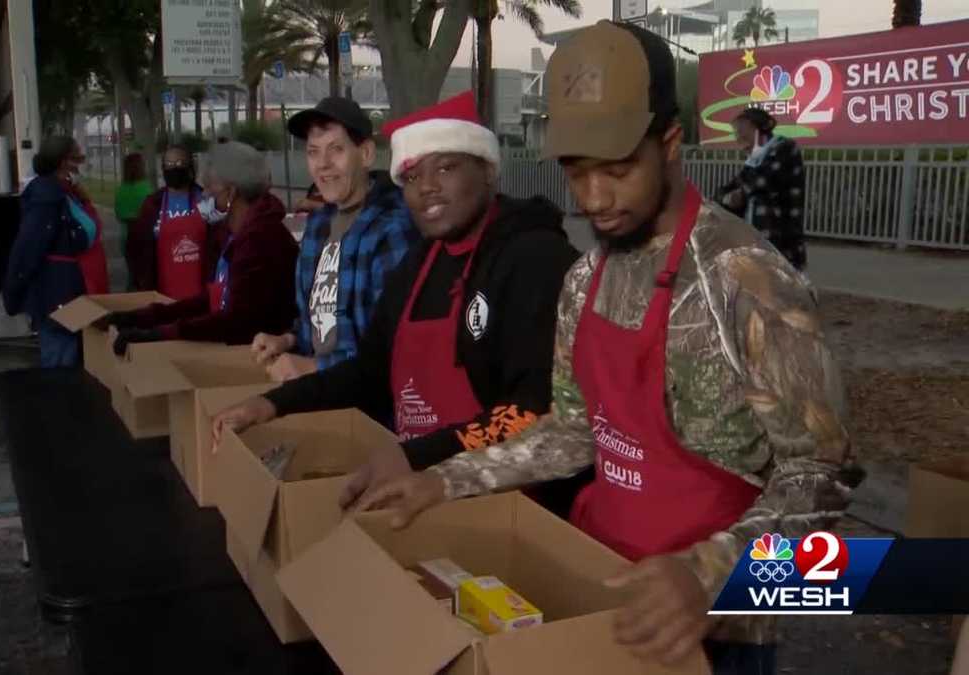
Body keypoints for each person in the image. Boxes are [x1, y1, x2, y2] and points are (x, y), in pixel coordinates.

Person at [354, 23, 860, 675]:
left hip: (715, 630)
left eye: (618, 170)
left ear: (670, 143)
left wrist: (707, 575)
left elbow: (821, 477)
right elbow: (574, 433)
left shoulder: (748, 281)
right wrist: (444, 480)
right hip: (604, 595)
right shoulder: (584, 281)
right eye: (577, 171)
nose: (594, 200)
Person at [212, 91, 577, 506]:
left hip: (510, 501)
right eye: (412, 175)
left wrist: (415, 456)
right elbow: (370, 370)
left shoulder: (535, 260)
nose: (427, 188)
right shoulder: (421, 261)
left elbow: (535, 411)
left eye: (446, 167)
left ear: (488, 170)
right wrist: (270, 405)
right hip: (423, 490)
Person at [251, 97, 418, 383]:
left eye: (336, 150)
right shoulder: (318, 225)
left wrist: (313, 368)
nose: (323, 164)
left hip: (369, 409)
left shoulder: (393, 228)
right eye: (313, 152)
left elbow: (395, 343)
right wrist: (288, 340)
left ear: (365, 154)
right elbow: (317, 321)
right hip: (321, 393)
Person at [102, 141, 298, 350]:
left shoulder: (261, 239)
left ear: (231, 193)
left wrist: (162, 333)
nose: (204, 195)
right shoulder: (233, 233)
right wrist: (142, 317)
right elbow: (214, 298)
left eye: (210, 187)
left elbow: (236, 320)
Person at [2, 136, 106, 368]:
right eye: (76, 157)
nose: (81, 162)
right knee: (61, 363)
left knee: (76, 359)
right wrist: (14, 292)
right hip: (59, 296)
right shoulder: (46, 198)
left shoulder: (66, 191)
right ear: (63, 162)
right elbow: (28, 248)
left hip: (73, 293)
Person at [126, 145, 224, 299]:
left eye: (179, 164)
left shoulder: (206, 201)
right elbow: (136, 246)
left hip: (201, 296)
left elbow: (220, 242)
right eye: (169, 165)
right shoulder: (152, 205)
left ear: (190, 168)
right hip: (161, 296)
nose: (174, 169)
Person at [720, 108, 807, 271]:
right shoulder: (754, 158)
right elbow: (730, 188)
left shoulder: (785, 148)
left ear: (757, 128)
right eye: (736, 132)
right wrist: (719, 200)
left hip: (781, 242)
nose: (738, 137)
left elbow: (762, 181)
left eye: (741, 130)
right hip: (755, 243)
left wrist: (738, 195)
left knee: (782, 290)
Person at [114, 153, 154, 288]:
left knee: (132, 274)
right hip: (144, 237)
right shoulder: (146, 189)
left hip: (126, 236)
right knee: (144, 275)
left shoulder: (121, 190)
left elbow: (119, 215)